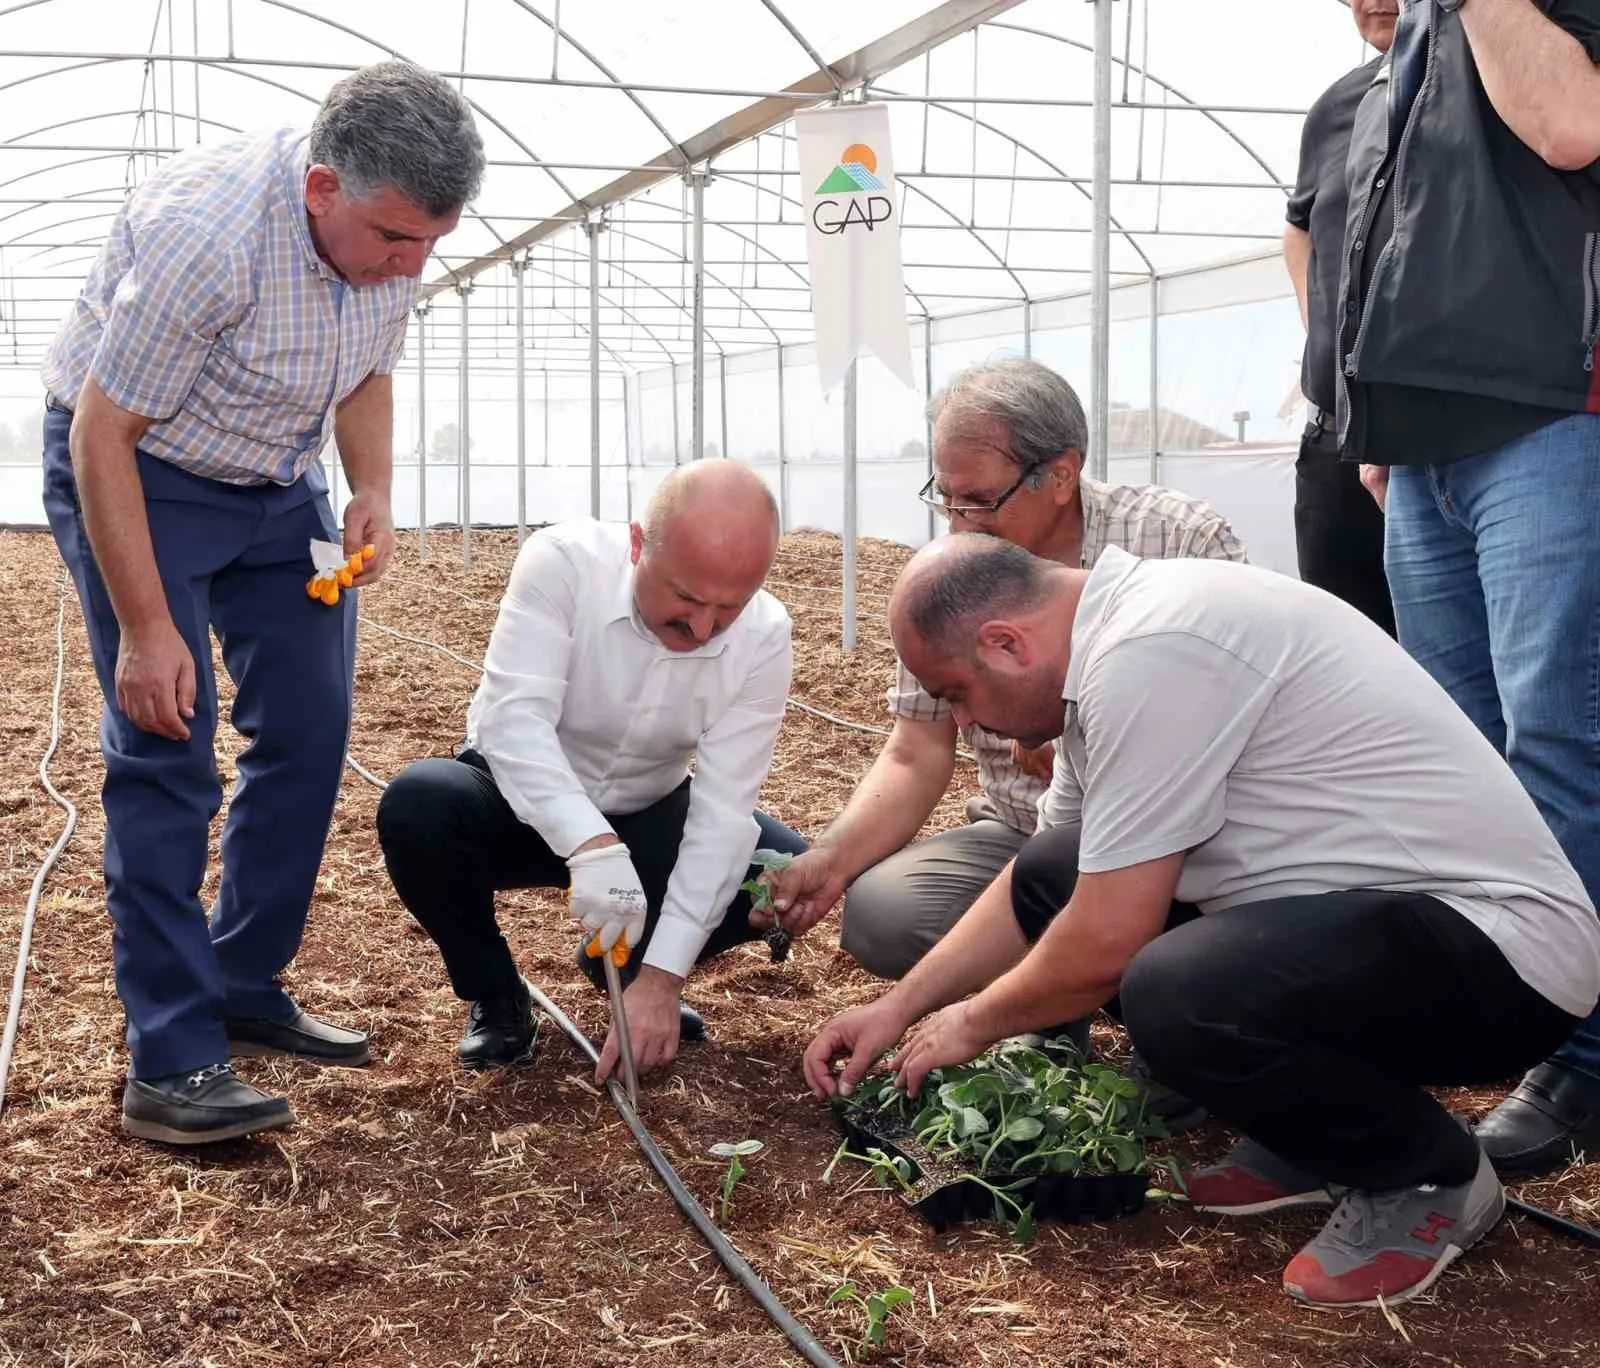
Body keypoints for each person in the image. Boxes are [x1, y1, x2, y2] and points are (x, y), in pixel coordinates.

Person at [803, 533, 1599, 1308]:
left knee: (1174, 989)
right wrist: (901, 1005)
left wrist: (969, 1023)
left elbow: (1106, 941)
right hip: (1379, 931)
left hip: (1500, 954)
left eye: (956, 694)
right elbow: (1041, 880)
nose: (968, 724)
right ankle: (1314, 1140)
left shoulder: (1154, 649)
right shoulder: (1105, 650)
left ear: (1007, 644)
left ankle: (1426, 1173)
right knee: (1060, 871)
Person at [39, 61, 483, 1145]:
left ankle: (243, 981)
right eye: (396, 240)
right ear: (322, 188)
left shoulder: (389, 231)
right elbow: (105, 439)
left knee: (311, 725)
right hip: (144, 479)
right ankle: (172, 1059)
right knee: (165, 744)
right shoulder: (210, 236)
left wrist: (370, 487)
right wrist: (148, 630)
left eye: (430, 242)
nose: (411, 264)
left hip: (279, 485)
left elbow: (367, 372)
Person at [1337, 0, 1600, 1174]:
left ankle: (1584, 1061)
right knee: (1464, 760)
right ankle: (1517, 1009)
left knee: (1559, 745)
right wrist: (1368, 419)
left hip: (1555, 416)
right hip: (1427, 439)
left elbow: (1570, 124)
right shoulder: (1414, 46)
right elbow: (1393, 237)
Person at [762, 358, 1246, 987]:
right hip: (1023, 833)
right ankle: (1063, 989)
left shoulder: (1180, 542)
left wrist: (1094, 745)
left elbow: (1242, 717)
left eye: (982, 501)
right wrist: (831, 858)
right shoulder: (949, 576)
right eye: (946, 498)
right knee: (886, 913)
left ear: (1062, 474)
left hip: (1180, 840)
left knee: (1178, 942)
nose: (962, 521)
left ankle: (1114, 975)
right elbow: (916, 750)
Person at [377, 461, 807, 1088]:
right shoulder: (563, 563)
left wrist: (665, 976)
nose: (704, 627)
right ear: (638, 543)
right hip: (516, 800)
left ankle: (632, 974)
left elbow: (722, 811)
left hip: (647, 807)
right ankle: (496, 994)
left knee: (783, 877)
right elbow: (514, 722)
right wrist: (589, 842)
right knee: (420, 805)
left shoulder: (766, 636)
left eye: (730, 606)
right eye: (686, 597)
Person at [1281, 0, 1395, 633]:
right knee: (1341, 644)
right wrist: (1318, 322)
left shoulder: (1482, 87)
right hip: (1334, 439)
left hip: (1436, 440)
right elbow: (1297, 227)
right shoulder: (1336, 106)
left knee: (1448, 676)